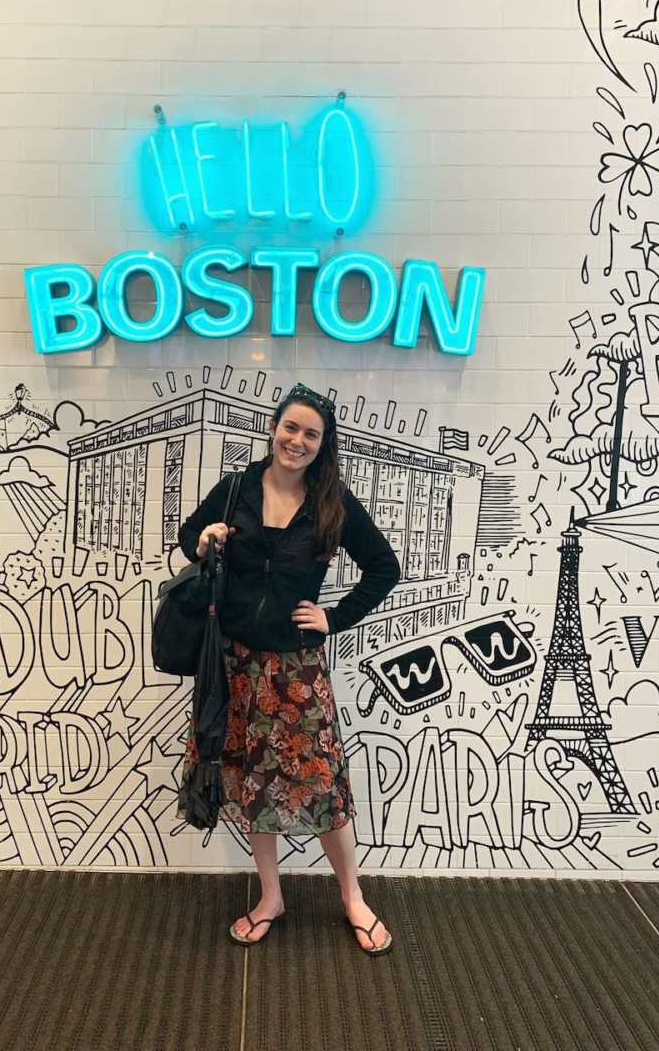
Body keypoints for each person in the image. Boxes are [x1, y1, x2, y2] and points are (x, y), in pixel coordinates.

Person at [176, 382, 401, 955]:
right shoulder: (237, 490)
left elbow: (384, 567)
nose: (296, 440)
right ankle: (270, 896)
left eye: (311, 434)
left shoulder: (332, 504)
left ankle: (351, 895)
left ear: (323, 445)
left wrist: (335, 616)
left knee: (322, 785)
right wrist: (204, 538)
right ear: (273, 428)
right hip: (236, 663)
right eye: (290, 427)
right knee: (254, 783)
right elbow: (185, 540)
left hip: (297, 669)